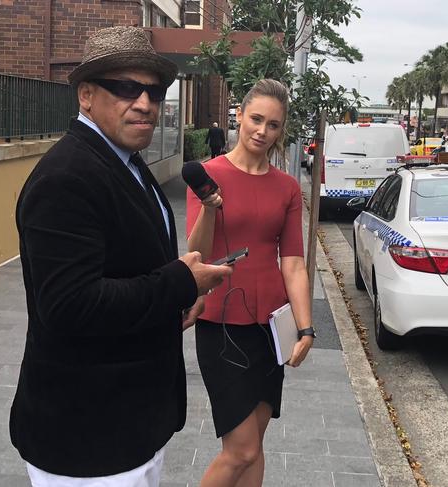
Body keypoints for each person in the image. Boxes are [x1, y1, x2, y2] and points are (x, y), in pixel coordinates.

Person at [9, 26, 233, 486]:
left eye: (153, 91)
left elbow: (133, 269)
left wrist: (176, 292)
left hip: (130, 427)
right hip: (86, 439)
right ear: (86, 95)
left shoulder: (125, 163)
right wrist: (178, 283)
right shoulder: (66, 179)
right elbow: (71, 306)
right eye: (126, 88)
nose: (145, 103)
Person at [186, 79, 315, 487]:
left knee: (256, 444)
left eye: (273, 124)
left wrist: (306, 326)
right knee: (239, 449)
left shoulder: (287, 187)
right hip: (222, 325)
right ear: (239, 116)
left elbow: (292, 262)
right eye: (256, 119)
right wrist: (210, 207)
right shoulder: (207, 175)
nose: (262, 130)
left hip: (271, 328)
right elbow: (196, 254)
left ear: (282, 129)